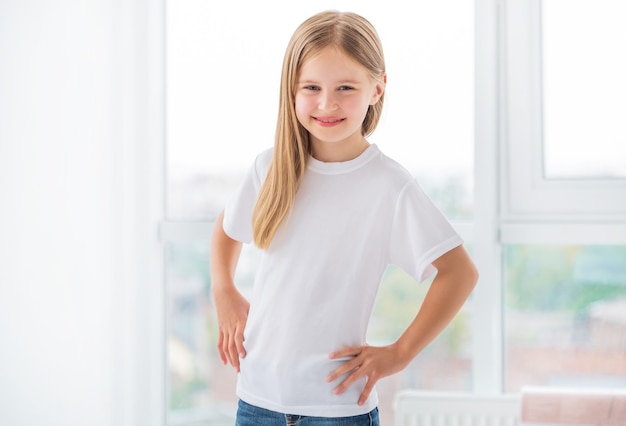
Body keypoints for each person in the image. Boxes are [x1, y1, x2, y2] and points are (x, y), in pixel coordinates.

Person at [210, 10, 478, 426]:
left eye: (346, 88)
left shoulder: (388, 185)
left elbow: (460, 273)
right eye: (312, 87)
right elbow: (227, 230)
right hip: (257, 401)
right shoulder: (270, 168)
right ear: (291, 91)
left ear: (378, 88)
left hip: (336, 410)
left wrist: (399, 353)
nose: (327, 103)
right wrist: (223, 289)